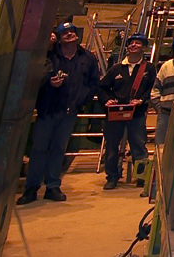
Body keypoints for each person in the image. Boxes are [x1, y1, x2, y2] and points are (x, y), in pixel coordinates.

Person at [19, 22, 99, 203]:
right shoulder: (49, 57)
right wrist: (50, 84)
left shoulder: (87, 58)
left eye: (72, 31)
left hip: (69, 112)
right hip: (48, 110)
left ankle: (53, 186)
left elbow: (94, 83)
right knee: (38, 149)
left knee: (58, 149)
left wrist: (81, 101)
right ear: (59, 38)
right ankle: (31, 188)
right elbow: (35, 79)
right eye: (65, 33)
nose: (69, 34)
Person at [98, 32, 157, 189]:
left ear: (144, 47)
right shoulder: (116, 69)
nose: (134, 45)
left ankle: (141, 177)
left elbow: (152, 89)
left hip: (136, 113)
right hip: (115, 114)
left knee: (138, 146)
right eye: (131, 43)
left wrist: (142, 100)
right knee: (111, 147)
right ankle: (112, 177)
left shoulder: (149, 69)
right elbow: (102, 88)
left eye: (138, 43)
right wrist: (107, 100)